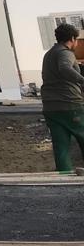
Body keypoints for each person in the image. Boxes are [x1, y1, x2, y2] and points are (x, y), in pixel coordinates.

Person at [41, 22, 84, 172]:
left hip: (50, 107)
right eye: (77, 40)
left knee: (61, 146)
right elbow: (65, 68)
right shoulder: (66, 53)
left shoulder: (49, 54)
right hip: (70, 105)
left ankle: (64, 175)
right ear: (72, 38)